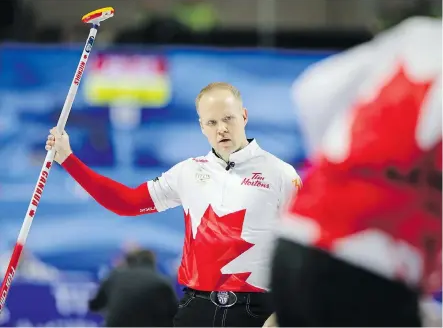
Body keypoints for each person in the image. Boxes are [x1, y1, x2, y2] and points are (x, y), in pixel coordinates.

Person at [45, 82, 301, 327]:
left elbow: (305, 248)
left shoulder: (281, 174)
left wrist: (285, 312)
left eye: (228, 119)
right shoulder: (187, 172)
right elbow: (127, 203)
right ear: (202, 126)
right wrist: (68, 159)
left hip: (258, 312)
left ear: (243, 116)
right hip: (197, 309)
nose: (221, 128)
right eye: (212, 122)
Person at [270, 16, 442, 326]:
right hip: (372, 264)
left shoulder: (417, 35)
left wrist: (341, 169)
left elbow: (312, 90)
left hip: (297, 240)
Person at [88, 249, 177, 327]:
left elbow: (95, 305)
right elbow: (176, 314)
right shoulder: (161, 281)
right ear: (153, 262)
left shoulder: (116, 275)